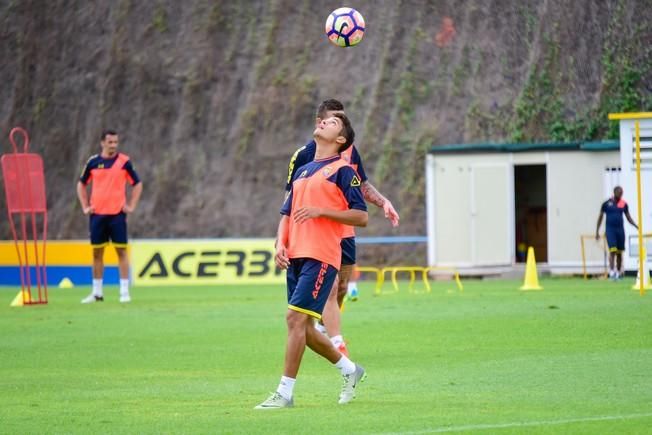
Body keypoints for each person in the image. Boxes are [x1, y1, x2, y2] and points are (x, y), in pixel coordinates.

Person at [256, 113, 367, 409]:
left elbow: (362, 215)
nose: (323, 123)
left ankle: (285, 393)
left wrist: (322, 211)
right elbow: (287, 213)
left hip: (322, 257)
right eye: (324, 121)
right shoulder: (303, 170)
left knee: (294, 320)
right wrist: (281, 242)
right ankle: (350, 370)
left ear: (340, 139)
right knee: (303, 328)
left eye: (332, 123)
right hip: (295, 256)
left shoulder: (343, 171)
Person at [285, 99, 399, 356]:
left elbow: (361, 185)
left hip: (345, 230)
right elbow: (289, 200)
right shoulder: (304, 155)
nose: (340, 123)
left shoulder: (349, 152)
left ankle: (321, 330)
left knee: (342, 288)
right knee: (331, 285)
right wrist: (285, 238)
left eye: (342, 119)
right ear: (320, 121)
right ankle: (337, 344)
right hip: (315, 237)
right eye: (335, 118)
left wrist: (383, 202)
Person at [77, 130, 142, 303]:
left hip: (117, 215)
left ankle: (124, 292)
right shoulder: (93, 162)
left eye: (116, 142)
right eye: (110, 142)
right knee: (97, 253)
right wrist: (85, 206)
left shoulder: (124, 162)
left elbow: (137, 183)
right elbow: (81, 184)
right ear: (102, 143)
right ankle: (97, 292)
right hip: (97, 215)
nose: (113, 145)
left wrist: (131, 205)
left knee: (121, 251)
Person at [596, 186, 638, 280]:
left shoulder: (623, 204)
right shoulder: (607, 204)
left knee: (619, 252)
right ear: (614, 192)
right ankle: (611, 272)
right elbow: (600, 217)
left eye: (622, 193)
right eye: (619, 192)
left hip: (620, 231)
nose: (621, 194)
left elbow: (628, 217)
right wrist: (597, 231)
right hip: (610, 230)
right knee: (613, 250)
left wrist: (636, 225)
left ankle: (618, 273)